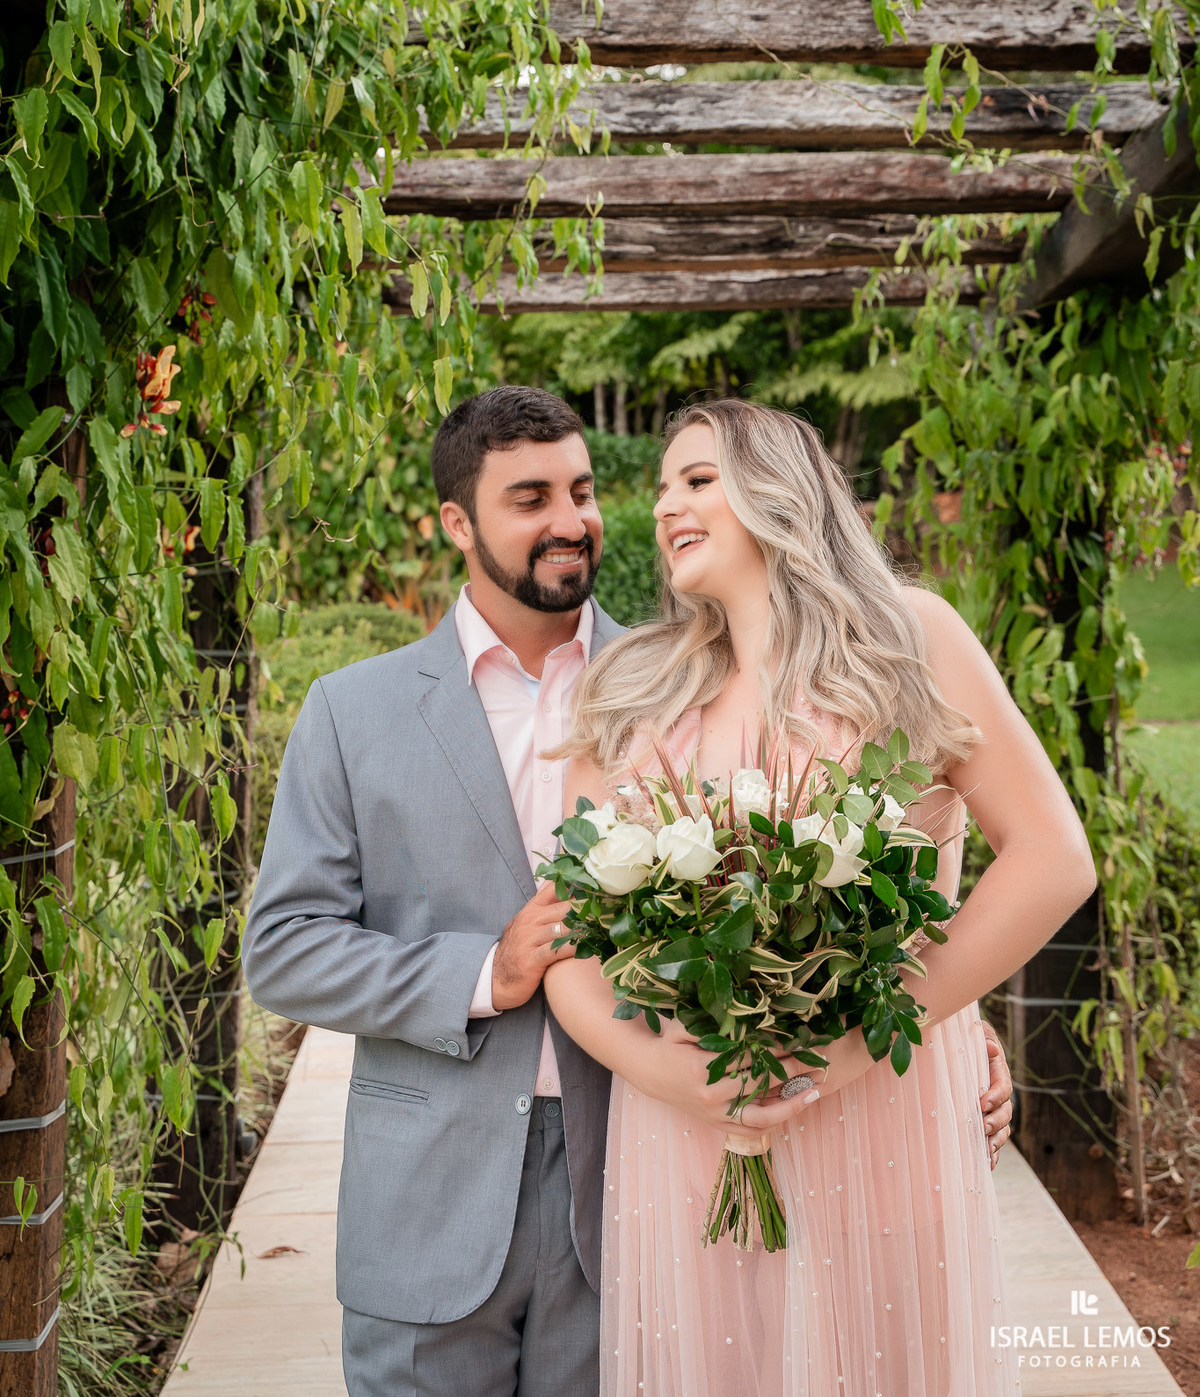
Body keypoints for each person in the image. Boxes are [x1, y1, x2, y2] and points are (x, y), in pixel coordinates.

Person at [242, 386, 1014, 1397]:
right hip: (432, 1191)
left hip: (637, 1178)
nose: (572, 520)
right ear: (456, 523)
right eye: (530, 498)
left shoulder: (685, 668)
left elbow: (864, 835)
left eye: (584, 490)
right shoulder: (354, 712)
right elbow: (286, 947)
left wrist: (949, 1018)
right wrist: (485, 969)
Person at [544, 398, 1094, 1397]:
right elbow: (570, 950)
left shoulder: (907, 639)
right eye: (662, 485)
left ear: (780, 490)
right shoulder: (631, 690)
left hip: (879, 1105)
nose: (667, 501)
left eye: (698, 479)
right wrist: (677, 1078)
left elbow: (1053, 858)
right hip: (685, 1130)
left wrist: (877, 1035)